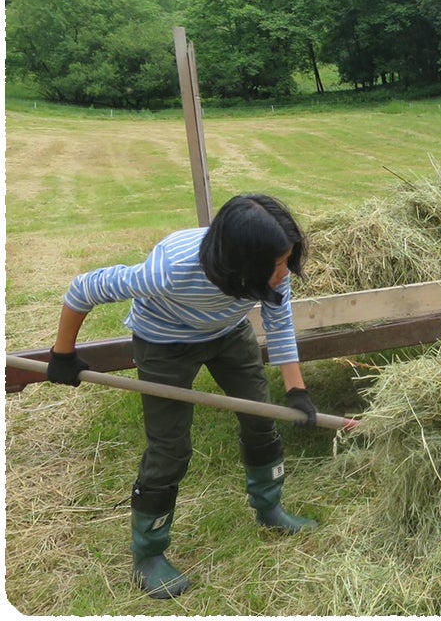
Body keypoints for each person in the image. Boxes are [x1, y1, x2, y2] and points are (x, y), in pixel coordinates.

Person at [46, 194, 321, 599]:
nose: (285, 273)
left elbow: (278, 319)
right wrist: (62, 353)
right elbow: (84, 288)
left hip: (228, 335)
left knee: (262, 418)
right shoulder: (169, 271)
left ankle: (270, 510)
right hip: (164, 343)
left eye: (286, 261)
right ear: (240, 264)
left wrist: (296, 389)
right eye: (278, 266)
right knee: (170, 448)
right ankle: (149, 555)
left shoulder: (269, 260)